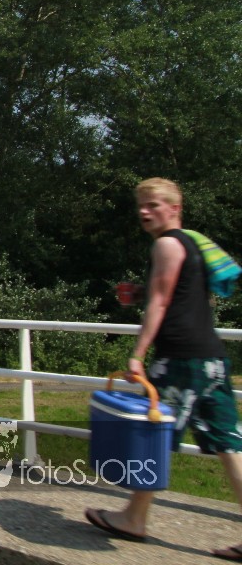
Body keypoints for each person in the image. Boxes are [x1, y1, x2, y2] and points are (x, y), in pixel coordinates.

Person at [83, 178, 242, 556]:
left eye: (153, 204)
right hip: (211, 359)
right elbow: (185, 297)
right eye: (141, 204)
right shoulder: (193, 244)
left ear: (175, 208)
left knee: (153, 434)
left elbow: (161, 302)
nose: (144, 211)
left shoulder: (166, 244)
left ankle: (134, 519)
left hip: (181, 359)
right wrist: (141, 292)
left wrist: (137, 354)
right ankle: (134, 516)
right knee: (229, 444)